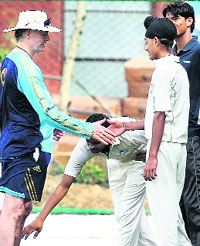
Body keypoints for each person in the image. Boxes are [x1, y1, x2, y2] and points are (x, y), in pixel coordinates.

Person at [0, 10, 123, 246]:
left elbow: (18, 107)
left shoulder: (11, 61)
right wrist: (89, 130)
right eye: (43, 33)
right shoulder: (25, 66)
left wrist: (47, 127)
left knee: (23, 207)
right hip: (24, 146)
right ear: (28, 32)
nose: (47, 38)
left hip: (26, 142)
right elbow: (48, 111)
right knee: (14, 209)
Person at [109, 16, 191, 246]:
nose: (145, 46)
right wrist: (125, 125)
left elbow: (160, 115)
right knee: (173, 216)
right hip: (177, 148)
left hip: (163, 149)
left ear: (156, 41)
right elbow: (160, 116)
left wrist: (152, 156)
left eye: (146, 41)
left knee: (164, 218)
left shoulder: (163, 71)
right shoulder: (178, 68)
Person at [23, 113, 157, 246]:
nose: (91, 147)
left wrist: (153, 153)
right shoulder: (85, 146)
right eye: (88, 141)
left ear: (109, 135)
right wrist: (40, 218)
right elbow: (64, 185)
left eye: (95, 143)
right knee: (122, 215)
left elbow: (161, 128)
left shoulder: (130, 132)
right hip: (116, 162)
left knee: (128, 214)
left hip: (140, 160)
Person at [162, 2, 200, 245]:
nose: (171, 23)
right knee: (179, 203)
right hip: (171, 137)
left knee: (194, 202)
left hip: (193, 136)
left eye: (175, 18)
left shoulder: (197, 52)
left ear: (189, 21)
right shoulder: (170, 55)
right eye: (167, 19)